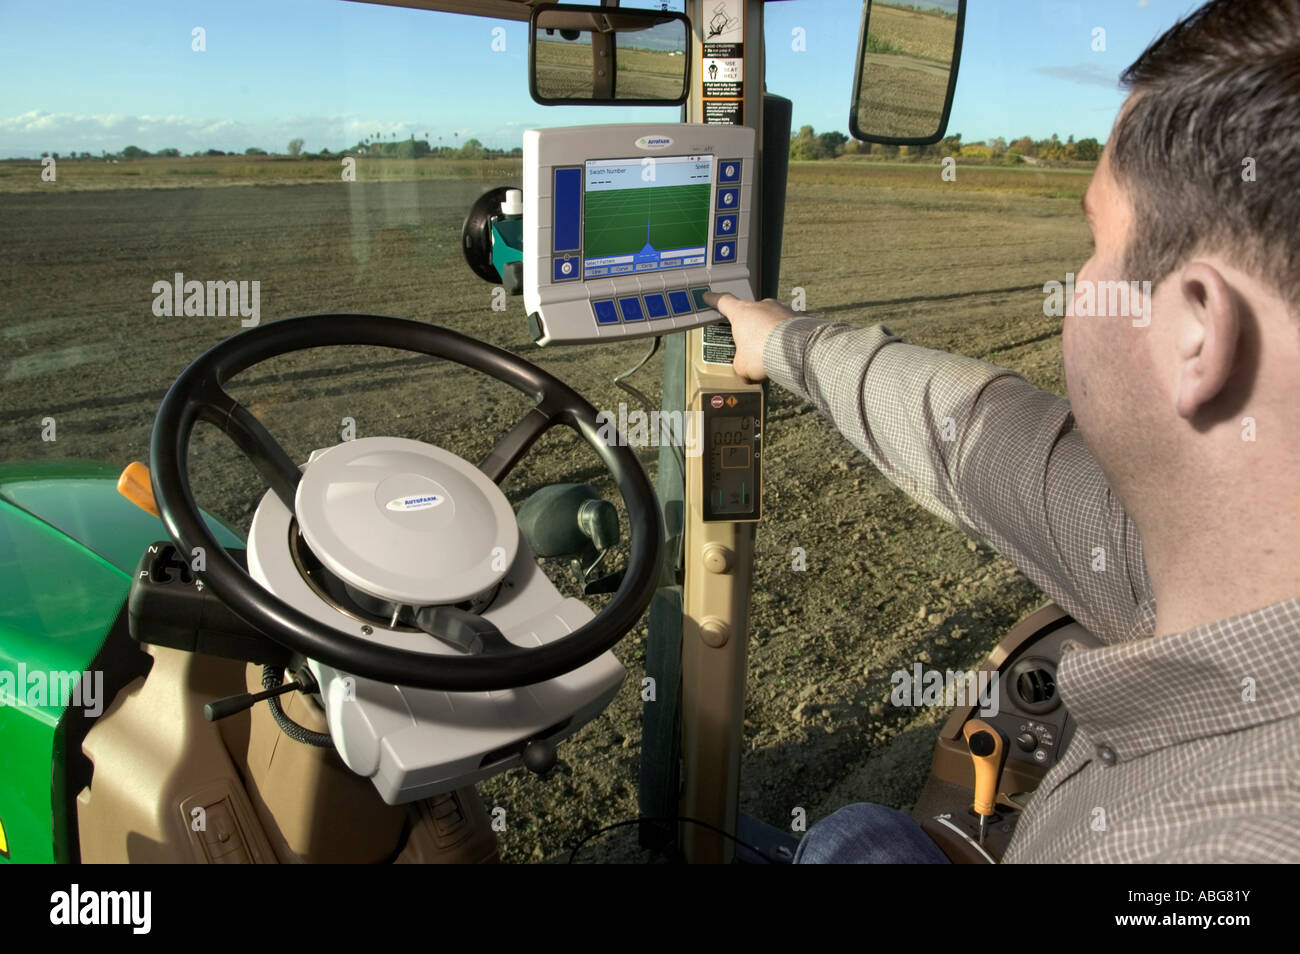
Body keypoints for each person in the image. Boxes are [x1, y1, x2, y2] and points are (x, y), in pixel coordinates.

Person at [704, 0, 1300, 863]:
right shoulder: (1193, 544)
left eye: (1093, 242)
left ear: (1195, 330)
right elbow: (972, 434)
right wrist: (784, 342)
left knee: (847, 840)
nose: (1076, 282)